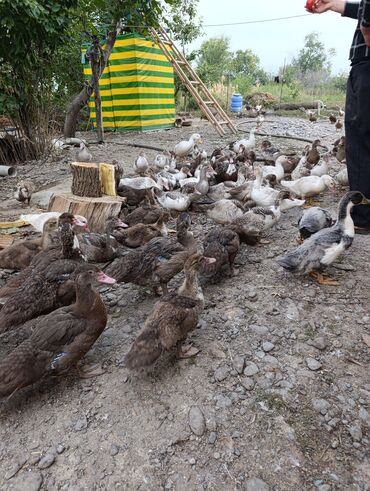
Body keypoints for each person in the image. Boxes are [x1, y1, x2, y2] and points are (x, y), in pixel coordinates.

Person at [308, 0, 370, 233]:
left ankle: (363, 216)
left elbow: (368, 17)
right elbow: (365, 10)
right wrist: (338, 6)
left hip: (366, 67)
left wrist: (367, 30)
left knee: (360, 142)